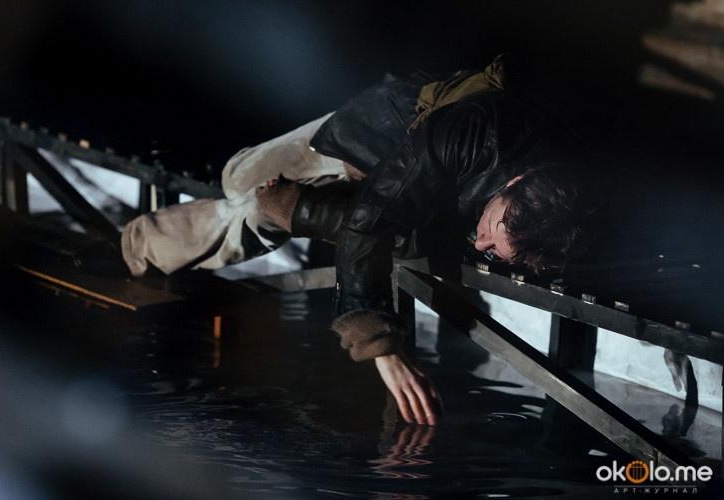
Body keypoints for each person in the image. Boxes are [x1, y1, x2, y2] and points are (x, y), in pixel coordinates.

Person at [76, 55, 604, 426]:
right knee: (240, 181)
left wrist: (300, 211)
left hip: (414, 197)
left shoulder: (564, 205)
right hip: (376, 138)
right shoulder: (468, 133)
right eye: (490, 230)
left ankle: (135, 249)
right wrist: (379, 344)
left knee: (254, 212)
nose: (481, 244)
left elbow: (409, 233)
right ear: (515, 183)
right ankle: (264, 190)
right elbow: (372, 224)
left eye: (494, 251)